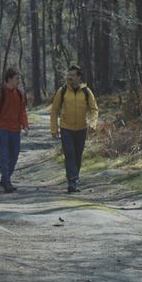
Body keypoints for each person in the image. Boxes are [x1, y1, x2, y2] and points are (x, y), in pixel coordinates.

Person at [50, 65, 99, 193]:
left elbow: (94, 109)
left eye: (72, 75)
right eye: (68, 75)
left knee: (78, 156)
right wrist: (54, 129)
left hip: (81, 129)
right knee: (69, 153)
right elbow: (54, 110)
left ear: (79, 77)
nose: (69, 78)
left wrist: (92, 124)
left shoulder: (87, 92)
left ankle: (74, 179)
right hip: (66, 128)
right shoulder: (63, 91)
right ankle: (72, 180)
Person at [0, 68, 29, 193]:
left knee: (14, 156)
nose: (18, 81)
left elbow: (22, 112)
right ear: (9, 79)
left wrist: (25, 125)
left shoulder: (20, 94)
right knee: (4, 156)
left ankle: (5, 178)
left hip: (15, 130)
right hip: (2, 129)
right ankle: (7, 182)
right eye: (17, 78)